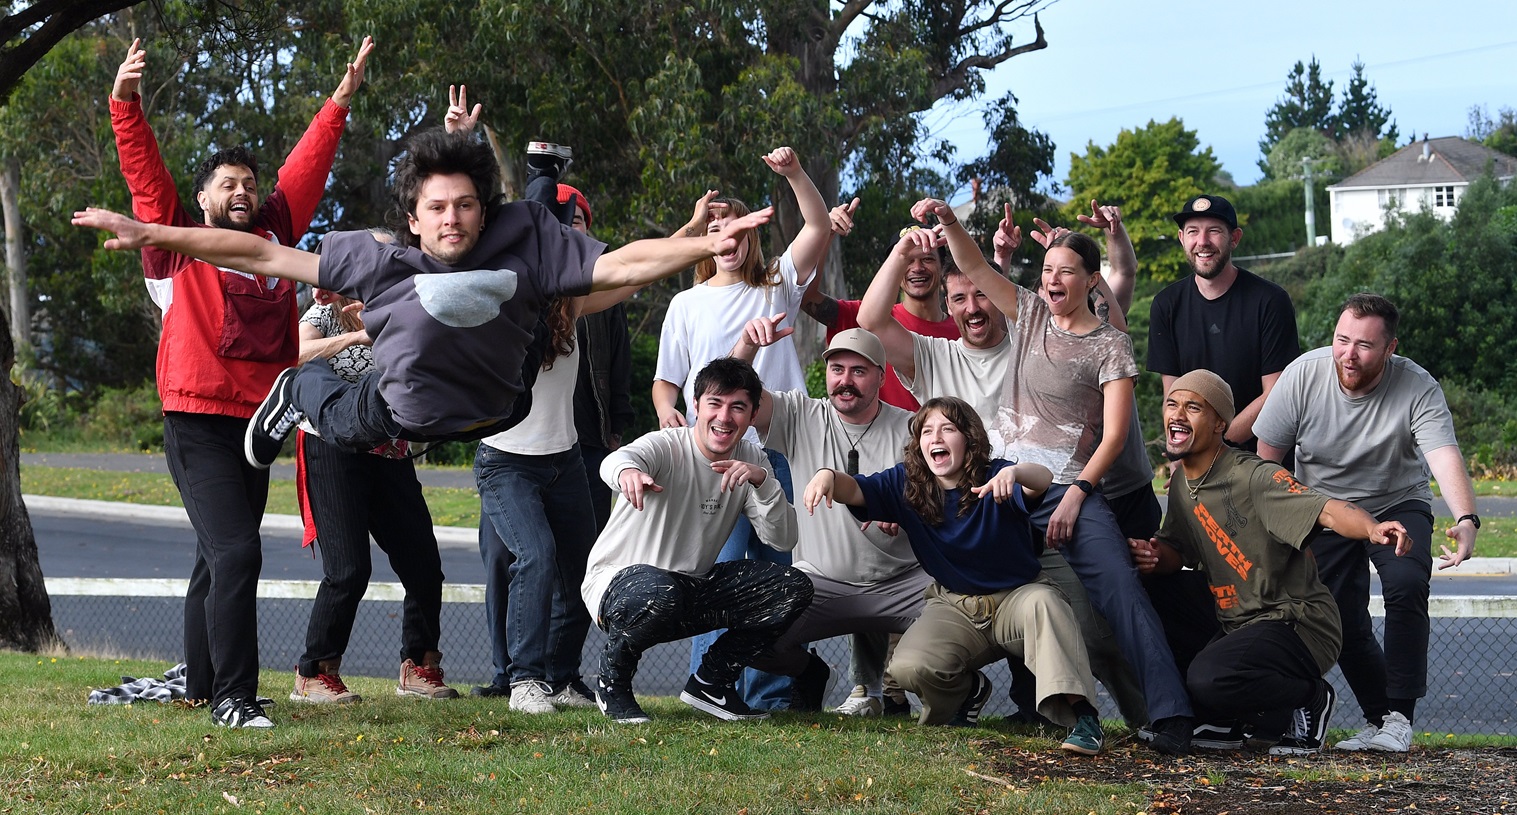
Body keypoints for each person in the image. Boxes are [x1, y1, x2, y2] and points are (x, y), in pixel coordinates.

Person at [74, 129, 774, 466]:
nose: (451, 220)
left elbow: (622, 266)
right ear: (413, 216)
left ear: (482, 208)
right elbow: (260, 251)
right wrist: (153, 232)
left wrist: (701, 246)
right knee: (349, 416)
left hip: (498, 405)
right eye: (437, 208)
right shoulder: (378, 255)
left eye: (465, 206)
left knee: (528, 315)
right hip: (395, 410)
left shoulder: (524, 236)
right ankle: (299, 393)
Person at [107, 35, 372, 728]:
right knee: (237, 550)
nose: (242, 192)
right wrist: (125, 101)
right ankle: (233, 696)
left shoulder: (272, 247)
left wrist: (338, 101)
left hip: (259, 427)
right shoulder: (177, 249)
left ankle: (198, 680)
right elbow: (143, 172)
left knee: (213, 559)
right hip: (196, 423)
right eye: (227, 183)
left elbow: (302, 173)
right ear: (199, 200)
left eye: (248, 185)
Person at [869, 200, 1195, 755]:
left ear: (1091, 280)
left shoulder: (1108, 344)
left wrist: (1078, 497)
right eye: (1047, 271)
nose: (1053, 281)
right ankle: (967, 685)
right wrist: (948, 222)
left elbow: (1114, 435)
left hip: (1068, 484)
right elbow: (974, 269)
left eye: (1066, 272)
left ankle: (1170, 717)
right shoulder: (1028, 314)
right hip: (1003, 483)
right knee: (1000, 586)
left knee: (1117, 588)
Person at [802, 397, 1106, 755]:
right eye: (927, 431)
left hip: (1017, 597)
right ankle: (968, 691)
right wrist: (826, 475)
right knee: (908, 666)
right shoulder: (907, 483)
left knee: (1046, 603)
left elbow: (1042, 480)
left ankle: (1084, 718)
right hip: (955, 606)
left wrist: (1016, 472)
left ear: (969, 439)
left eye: (948, 428)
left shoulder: (996, 475)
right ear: (919, 445)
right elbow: (853, 488)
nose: (936, 437)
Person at [1132, 370, 1412, 755]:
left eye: (1193, 407)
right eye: (1171, 404)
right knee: (1146, 593)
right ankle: (1224, 721)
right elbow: (1177, 550)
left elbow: (1327, 510)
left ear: (1219, 424)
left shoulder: (1253, 477)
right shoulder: (1183, 484)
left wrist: (1373, 528)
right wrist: (1152, 556)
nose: (1177, 414)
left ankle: (1311, 698)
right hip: (1238, 621)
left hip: (1296, 621)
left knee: (1209, 677)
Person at [1255, 293, 1479, 753]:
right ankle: (1382, 720)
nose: (1348, 354)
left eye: (1364, 345)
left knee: (1405, 583)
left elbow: (1443, 455)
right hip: (1324, 507)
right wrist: (1278, 522)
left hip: (1398, 501)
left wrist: (1467, 517)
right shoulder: (1304, 374)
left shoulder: (1417, 386)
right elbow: (1267, 459)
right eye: (1341, 340)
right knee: (1338, 617)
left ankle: (1400, 719)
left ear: (1390, 349)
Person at [653, 148, 831, 711]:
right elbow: (666, 382)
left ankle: (771, 696)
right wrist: (666, 413)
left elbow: (818, 225)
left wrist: (794, 174)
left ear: (753, 233)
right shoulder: (684, 303)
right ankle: (711, 687)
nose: (726, 235)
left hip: (776, 452)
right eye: (713, 227)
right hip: (713, 459)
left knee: (776, 574)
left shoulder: (776, 282)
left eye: (735, 224)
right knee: (719, 571)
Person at [582, 358, 809, 724]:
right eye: (715, 404)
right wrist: (628, 473)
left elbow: (782, 538)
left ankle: (711, 683)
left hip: (690, 588)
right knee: (659, 588)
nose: (724, 417)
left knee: (791, 586)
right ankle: (612, 684)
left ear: (752, 416)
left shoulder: (750, 458)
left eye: (738, 407)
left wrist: (763, 482)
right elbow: (619, 459)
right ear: (697, 407)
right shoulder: (666, 446)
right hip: (619, 586)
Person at [798, 201, 960, 715]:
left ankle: (937, 684)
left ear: (942, 271)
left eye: (929, 258)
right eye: (909, 257)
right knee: (863, 555)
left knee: (921, 572)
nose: (918, 266)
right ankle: (872, 688)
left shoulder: (959, 326)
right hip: (876, 450)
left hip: (939, 458)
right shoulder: (868, 318)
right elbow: (805, 296)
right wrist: (825, 235)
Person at [729, 323, 920, 715]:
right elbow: (735, 391)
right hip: (822, 583)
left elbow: (937, 496)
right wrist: (747, 345)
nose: (844, 381)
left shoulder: (912, 428)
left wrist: (908, 512)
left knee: (959, 633)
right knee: (748, 634)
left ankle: (957, 692)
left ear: (882, 378)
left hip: (902, 584)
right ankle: (811, 672)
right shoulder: (801, 415)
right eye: (837, 369)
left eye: (859, 371)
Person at [288, 273, 458, 704]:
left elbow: (428, 358)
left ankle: (419, 666)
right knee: (348, 569)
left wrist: (382, 330)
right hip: (330, 447)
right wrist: (353, 339)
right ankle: (314, 673)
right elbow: (294, 353)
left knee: (423, 565)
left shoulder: (396, 311)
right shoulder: (322, 314)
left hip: (389, 449)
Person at [1147, 194, 1300, 451]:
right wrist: (1179, 456)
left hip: (1261, 458)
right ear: (1182, 238)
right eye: (1193, 232)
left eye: (1214, 231)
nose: (1202, 242)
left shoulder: (1270, 301)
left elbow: (1276, 392)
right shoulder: (1166, 304)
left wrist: (1219, 445)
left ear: (1235, 238)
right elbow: (1173, 396)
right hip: (1196, 454)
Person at [562, 185, 635, 533]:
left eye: (575, 219)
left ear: (587, 227)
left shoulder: (604, 287)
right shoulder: (521, 281)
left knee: (590, 539)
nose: (566, 225)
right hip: (527, 446)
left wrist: (617, 425)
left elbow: (620, 359)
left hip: (591, 436)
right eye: (556, 216)